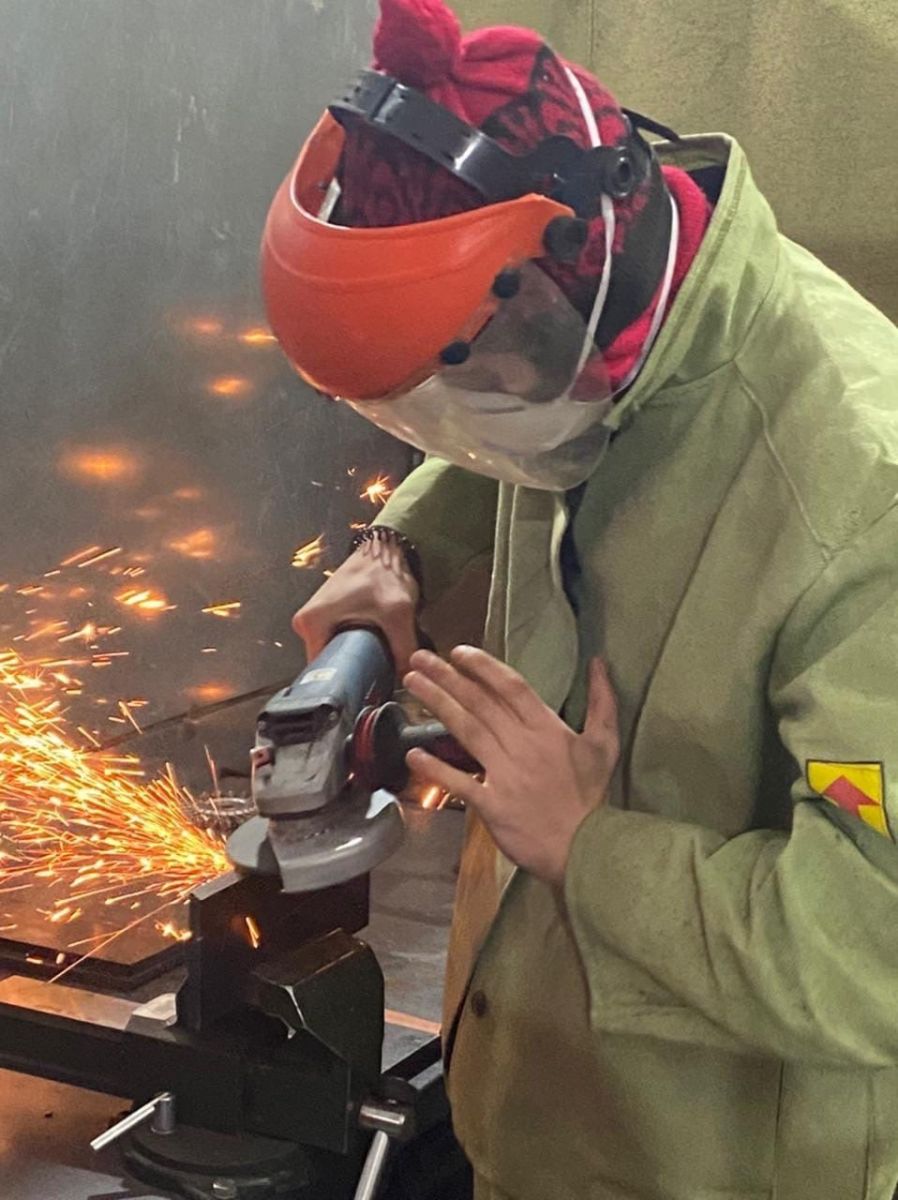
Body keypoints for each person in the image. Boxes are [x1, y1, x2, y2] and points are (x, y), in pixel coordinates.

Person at [261, 0, 898, 1196]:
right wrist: (395, 548)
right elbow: (523, 429)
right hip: (534, 1107)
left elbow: (876, 955)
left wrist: (585, 849)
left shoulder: (863, 500)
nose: (468, 419)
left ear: (571, 287)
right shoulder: (618, 333)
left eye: (475, 377)